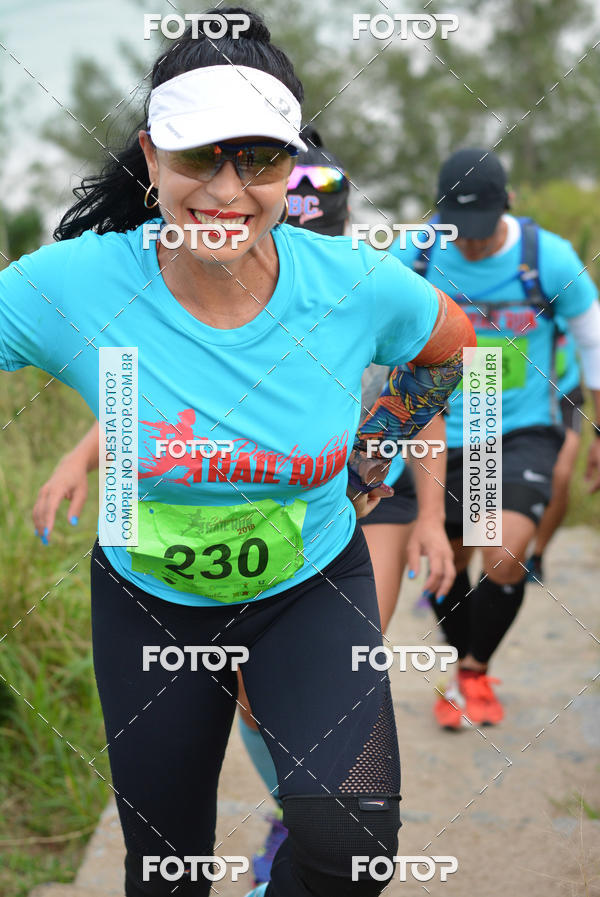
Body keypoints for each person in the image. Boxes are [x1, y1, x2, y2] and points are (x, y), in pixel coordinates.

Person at [4, 10, 475, 897]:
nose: (227, 189)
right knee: (169, 875)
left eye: (257, 158)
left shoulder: (350, 283)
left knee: (356, 849)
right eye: (197, 157)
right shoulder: (71, 285)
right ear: (151, 158)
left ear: (291, 166)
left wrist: (371, 459)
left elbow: (452, 345)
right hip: (152, 607)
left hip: (306, 591)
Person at [389, 147, 600, 729]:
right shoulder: (417, 253)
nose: (472, 244)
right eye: (461, 231)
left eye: (481, 231)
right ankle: (465, 674)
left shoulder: (546, 258)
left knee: (504, 553)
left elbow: (593, 340)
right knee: (448, 562)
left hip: (516, 425)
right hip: (440, 428)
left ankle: (475, 670)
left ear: (507, 205)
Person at [525, 321, 585, 583]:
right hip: (505, 390)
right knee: (483, 472)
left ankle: (536, 556)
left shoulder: (563, 285)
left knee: (560, 477)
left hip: (562, 393)